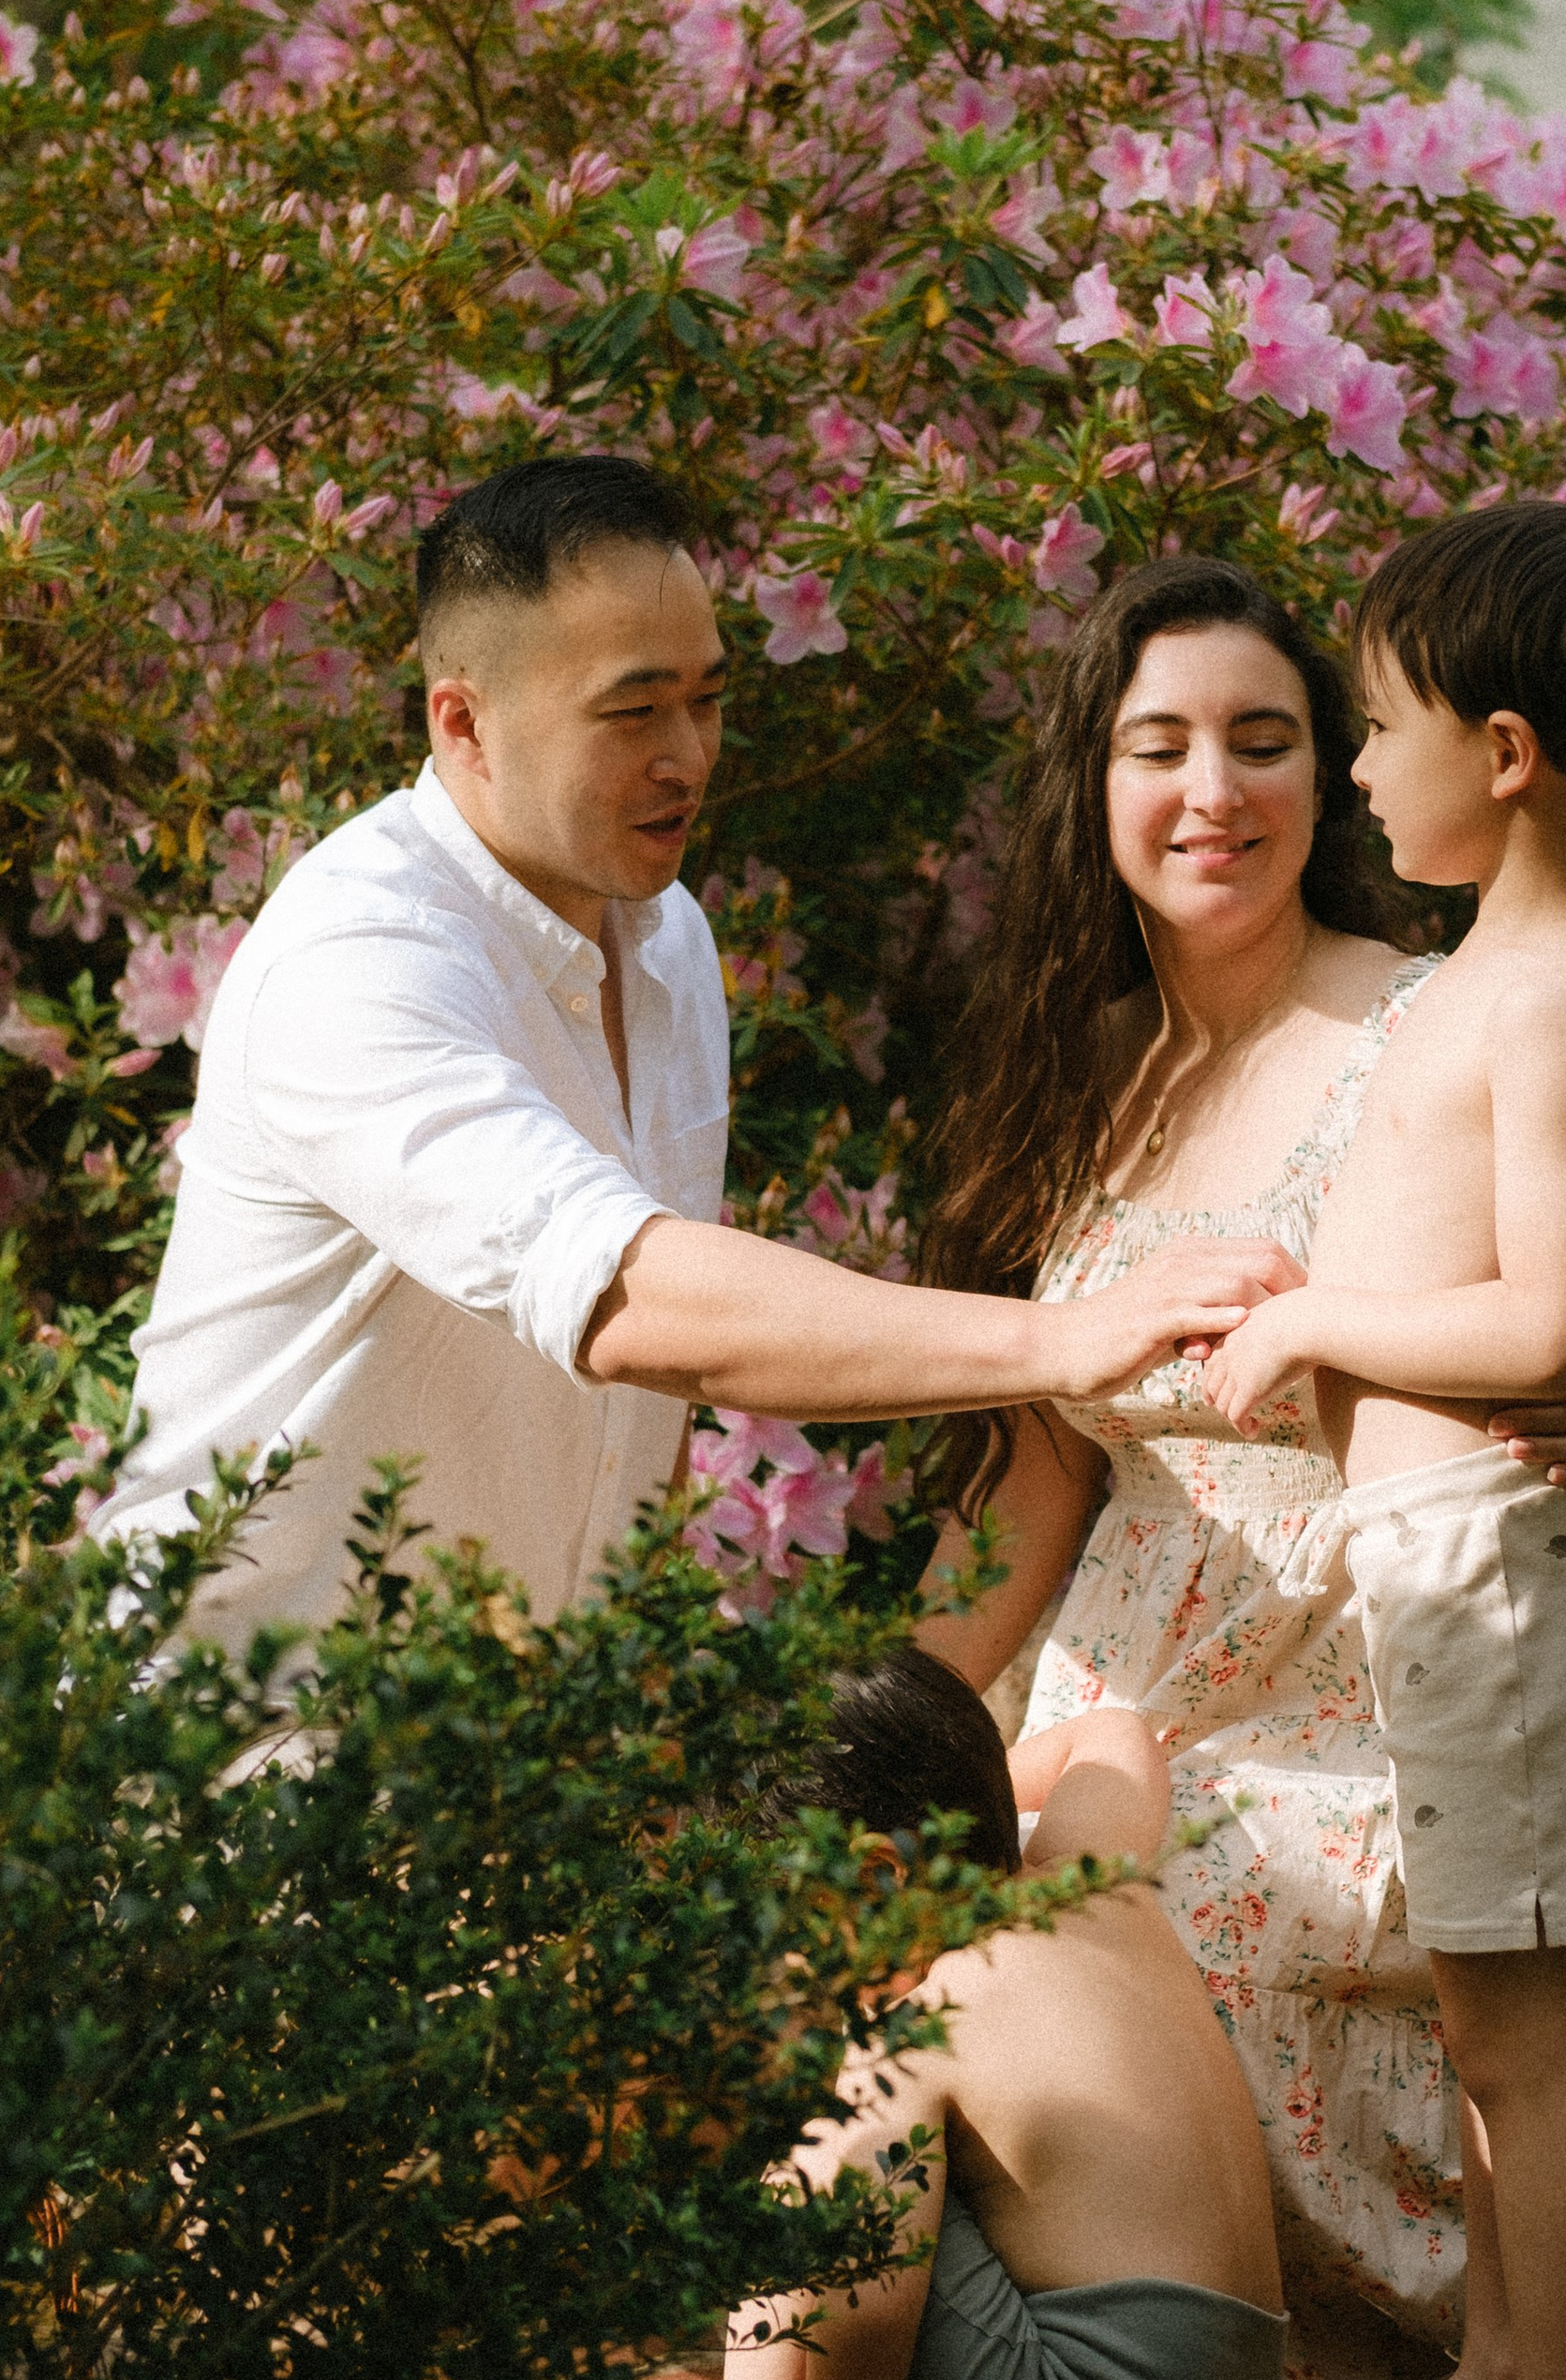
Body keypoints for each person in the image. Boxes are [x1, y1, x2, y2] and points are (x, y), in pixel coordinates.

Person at [913, 553, 1566, 2380]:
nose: (1211, 789)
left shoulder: (1439, 1011)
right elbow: (1032, 1476)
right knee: (943, 1876)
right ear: (1094, 782)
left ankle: (1265, 2365)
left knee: (1108, 1930)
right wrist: (889, 1725)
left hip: (1360, 1685)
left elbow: (1537, 1323)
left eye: (1265, 739)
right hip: (1121, 1683)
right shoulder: (1074, 1073)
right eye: (1159, 745)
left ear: (1337, 777)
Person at [95, 458, 1292, 1652]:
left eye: (707, 699)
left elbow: (636, 1414)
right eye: (634, 710)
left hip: (508, 1735)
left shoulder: (665, 935)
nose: (688, 756)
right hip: (245, 1735)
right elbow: (625, 1298)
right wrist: (1062, 1337)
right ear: (463, 723)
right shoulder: (357, 959)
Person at [1197, 502, 1566, 2380]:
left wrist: (1312, 1324)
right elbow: (1461, 1257)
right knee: (1487, 1997)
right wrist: (1311, 1273)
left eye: (1374, 723)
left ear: (1502, 748)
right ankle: (1503, 2374)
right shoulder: (1489, 972)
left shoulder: (1554, 985)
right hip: (1453, 1562)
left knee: (1520, 2029)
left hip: (1502, 1563)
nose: (1355, 763)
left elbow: (1539, 1325)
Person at [591, 1648, 1290, 2380]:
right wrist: (950, 1803)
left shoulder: (925, 2021)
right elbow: (1113, 1732)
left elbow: (861, 2301)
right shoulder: (1086, 1879)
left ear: (876, 1878)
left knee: (819, 2128)